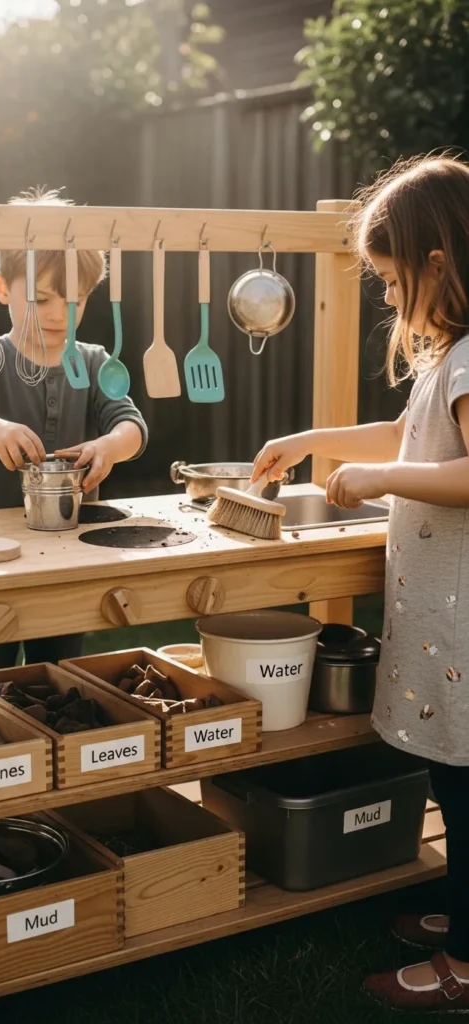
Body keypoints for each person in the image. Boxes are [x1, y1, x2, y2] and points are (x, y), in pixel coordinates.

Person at [251, 154, 469, 1012]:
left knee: (463, 784)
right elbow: (405, 430)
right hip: (444, 617)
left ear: (437, 264)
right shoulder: (449, 357)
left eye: (388, 280)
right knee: (454, 784)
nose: (386, 298)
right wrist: (316, 439)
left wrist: (379, 483)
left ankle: (464, 970)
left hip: (463, 621)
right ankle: (459, 914)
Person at [0, 186, 147, 676]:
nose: (57, 314)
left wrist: (108, 446)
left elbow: (131, 427)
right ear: (3, 289)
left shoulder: (94, 362)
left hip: (67, 555)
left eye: (75, 300)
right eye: (41, 298)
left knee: (62, 671)